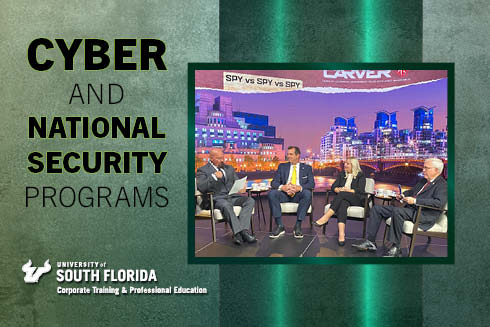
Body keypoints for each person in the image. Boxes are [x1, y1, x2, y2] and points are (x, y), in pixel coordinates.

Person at [352, 158, 447, 257]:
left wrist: (415, 201)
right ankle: (370, 242)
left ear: (436, 170)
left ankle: (396, 248)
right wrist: (402, 195)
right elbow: (411, 192)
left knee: (398, 211)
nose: (423, 170)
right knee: (377, 209)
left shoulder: (442, 185)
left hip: (423, 214)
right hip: (411, 210)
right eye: (423, 167)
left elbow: (438, 203)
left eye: (426, 168)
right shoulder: (423, 181)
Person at [196, 148, 256, 245]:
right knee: (225, 204)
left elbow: (237, 182)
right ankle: (240, 233)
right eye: (219, 158)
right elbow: (202, 187)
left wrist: (241, 187)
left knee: (250, 201)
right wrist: (214, 177)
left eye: (222, 157)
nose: (222, 160)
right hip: (216, 199)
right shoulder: (202, 170)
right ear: (211, 158)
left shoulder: (229, 168)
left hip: (232, 197)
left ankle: (242, 231)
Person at [313, 157, 366, 246]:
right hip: (344, 198)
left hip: (357, 199)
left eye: (348, 164)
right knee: (342, 204)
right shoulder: (342, 174)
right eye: (345, 163)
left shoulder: (360, 175)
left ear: (354, 165)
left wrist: (347, 190)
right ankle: (341, 235)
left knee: (342, 194)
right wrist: (337, 189)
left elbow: (360, 191)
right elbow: (333, 186)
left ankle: (325, 217)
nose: (345, 165)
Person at [268, 146, 315, 239]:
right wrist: (283, 187)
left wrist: (299, 188)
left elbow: (311, 184)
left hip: (298, 195)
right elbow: (274, 182)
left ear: (298, 155)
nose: (288, 156)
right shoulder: (282, 166)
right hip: (284, 194)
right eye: (287, 154)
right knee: (272, 193)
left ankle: (298, 226)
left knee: (307, 193)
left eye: (291, 154)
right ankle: (280, 226)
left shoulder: (307, 168)